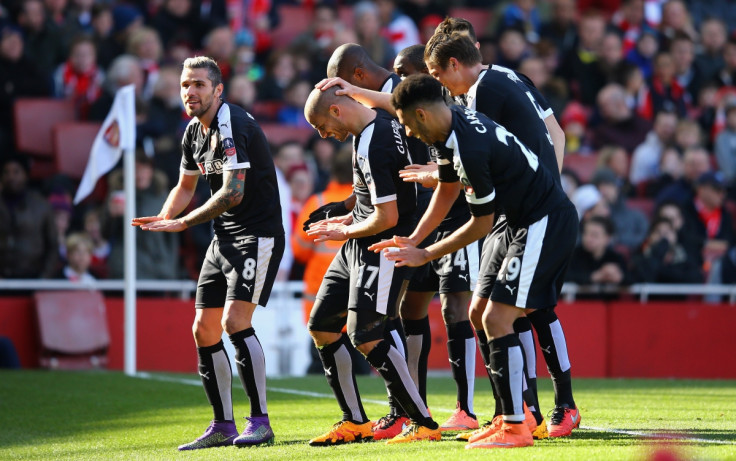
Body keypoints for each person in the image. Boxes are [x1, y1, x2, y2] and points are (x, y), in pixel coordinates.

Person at [373, 74, 578, 449]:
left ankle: (518, 424)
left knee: (497, 318)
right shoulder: (452, 124)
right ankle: (508, 415)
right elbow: (448, 190)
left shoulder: (467, 143)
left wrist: (427, 253)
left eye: (405, 123)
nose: (408, 132)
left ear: (420, 114)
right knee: (478, 312)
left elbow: (479, 222)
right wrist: (414, 238)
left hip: (541, 220)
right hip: (518, 220)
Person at [424, 31, 580, 439]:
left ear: (455, 62)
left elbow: (479, 154)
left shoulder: (481, 93)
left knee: (530, 311)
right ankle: (522, 409)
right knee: (503, 312)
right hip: (519, 210)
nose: (439, 85)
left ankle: (552, 407)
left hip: (532, 212)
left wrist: (542, 194)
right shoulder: (511, 77)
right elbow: (556, 135)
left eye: (437, 74)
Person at [133, 56, 284, 450]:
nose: (190, 92)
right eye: (185, 84)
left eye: (199, 84)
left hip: (257, 234)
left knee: (236, 321)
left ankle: (261, 421)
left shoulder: (231, 123)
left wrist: (183, 224)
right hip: (224, 238)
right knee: (202, 328)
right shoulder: (192, 132)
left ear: (218, 90)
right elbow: (185, 186)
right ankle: (223, 425)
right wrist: (165, 216)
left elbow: (233, 192)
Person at [303, 85, 441, 445]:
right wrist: (346, 210)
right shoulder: (374, 126)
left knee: (366, 334)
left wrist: (342, 229)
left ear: (336, 110)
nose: (323, 136)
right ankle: (356, 422)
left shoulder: (373, 141)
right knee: (322, 326)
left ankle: (423, 424)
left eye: (321, 126)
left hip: (381, 245)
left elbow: (387, 215)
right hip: (358, 244)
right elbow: (374, 194)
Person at [0, 155, 58, 279]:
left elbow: (53, 246)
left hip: (32, 278)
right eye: (6, 172)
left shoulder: (41, 205)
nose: (11, 177)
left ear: (25, 175)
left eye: (16, 172)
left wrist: (44, 278)